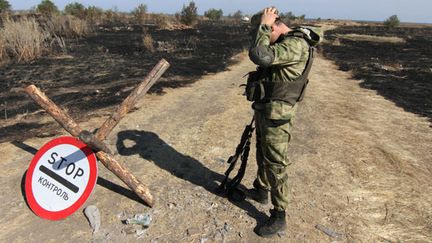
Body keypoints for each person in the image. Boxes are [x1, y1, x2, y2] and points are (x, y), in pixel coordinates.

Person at [246, 7, 320, 237]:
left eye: (267, 30)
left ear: (276, 24)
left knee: (276, 162)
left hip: (278, 113)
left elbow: (260, 55)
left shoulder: (295, 44)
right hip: (268, 107)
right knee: (262, 151)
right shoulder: (287, 41)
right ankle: (261, 188)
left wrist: (264, 24)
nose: (264, 35)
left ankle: (279, 214)